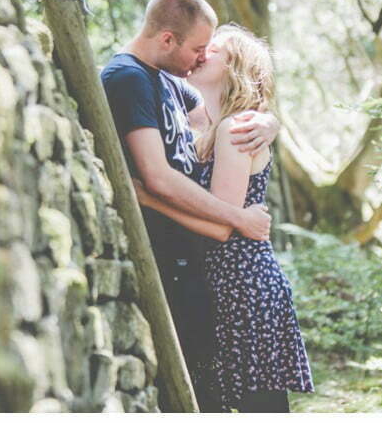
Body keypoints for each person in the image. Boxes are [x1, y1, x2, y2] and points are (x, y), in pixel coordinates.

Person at [100, 0, 280, 412]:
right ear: (167, 40)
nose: (201, 58)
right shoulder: (128, 78)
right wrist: (237, 217)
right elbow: (157, 177)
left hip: (201, 268)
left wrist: (270, 122)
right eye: (199, 49)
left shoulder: (168, 79)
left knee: (235, 399)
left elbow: (229, 109)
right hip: (166, 266)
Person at [133, 23, 314, 413]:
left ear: (235, 68)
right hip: (228, 284)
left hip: (244, 285)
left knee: (261, 408)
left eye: (214, 50)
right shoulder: (209, 126)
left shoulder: (236, 129)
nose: (202, 53)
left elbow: (220, 228)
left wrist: (147, 197)